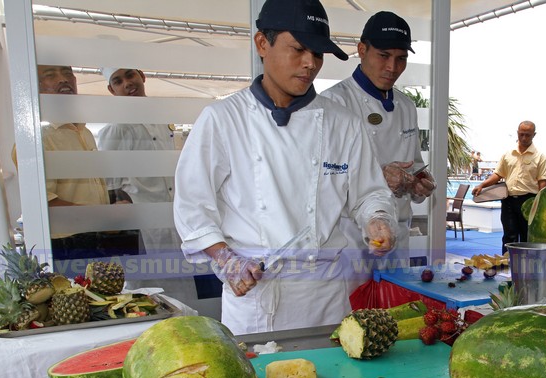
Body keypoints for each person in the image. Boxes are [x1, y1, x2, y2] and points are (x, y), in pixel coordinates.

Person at [174, 0, 398, 335]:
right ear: (262, 43)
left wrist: (377, 219)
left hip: (326, 296)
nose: (310, 64)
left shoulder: (343, 123)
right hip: (256, 294)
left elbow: (369, 194)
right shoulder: (223, 119)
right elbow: (193, 206)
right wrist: (227, 260)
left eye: (318, 54)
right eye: (298, 49)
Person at [322, 10, 435, 269]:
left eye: (401, 58)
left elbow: (414, 164)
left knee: (395, 308)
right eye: (383, 56)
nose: (392, 68)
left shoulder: (406, 106)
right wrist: (378, 178)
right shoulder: (333, 103)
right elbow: (322, 182)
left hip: (398, 239)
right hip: (351, 243)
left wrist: (420, 183)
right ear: (362, 50)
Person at [98, 67, 198, 304]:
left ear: (142, 77)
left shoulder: (160, 119)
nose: (127, 84)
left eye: (130, 76)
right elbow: (110, 186)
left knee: (182, 287)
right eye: (118, 81)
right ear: (111, 90)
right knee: (150, 292)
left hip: (172, 218)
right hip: (144, 229)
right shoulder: (115, 129)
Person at [32, 65, 117, 264]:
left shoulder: (84, 132)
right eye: (51, 75)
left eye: (68, 73)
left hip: (97, 236)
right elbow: (46, 201)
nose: (63, 79)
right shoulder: (39, 139)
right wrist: (101, 216)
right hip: (67, 243)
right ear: (38, 87)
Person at [471, 121, 546, 251]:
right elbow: (498, 175)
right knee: (509, 236)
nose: (524, 138)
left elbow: (543, 182)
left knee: (527, 237)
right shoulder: (508, 154)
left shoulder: (540, 157)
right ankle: (506, 266)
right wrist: (482, 185)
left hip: (529, 201)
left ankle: (526, 268)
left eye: (528, 135)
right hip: (508, 200)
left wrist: (542, 205)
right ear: (517, 133)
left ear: (534, 135)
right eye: (521, 134)